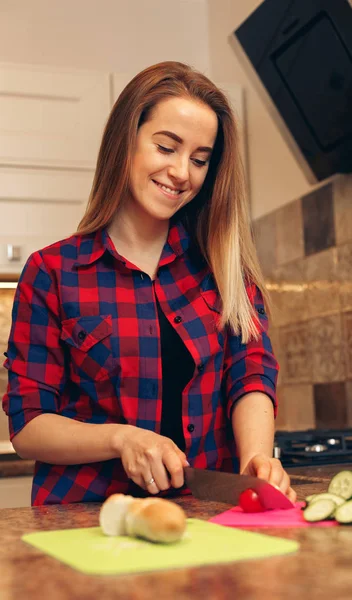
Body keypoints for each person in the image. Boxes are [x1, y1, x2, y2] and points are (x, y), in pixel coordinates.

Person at [2, 61, 296, 506]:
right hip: (88, 520)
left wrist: (256, 458)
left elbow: (250, 373)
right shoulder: (53, 273)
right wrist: (122, 440)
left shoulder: (223, 270)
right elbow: (28, 426)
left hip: (208, 517)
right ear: (126, 142)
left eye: (200, 160)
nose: (182, 172)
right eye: (166, 147)